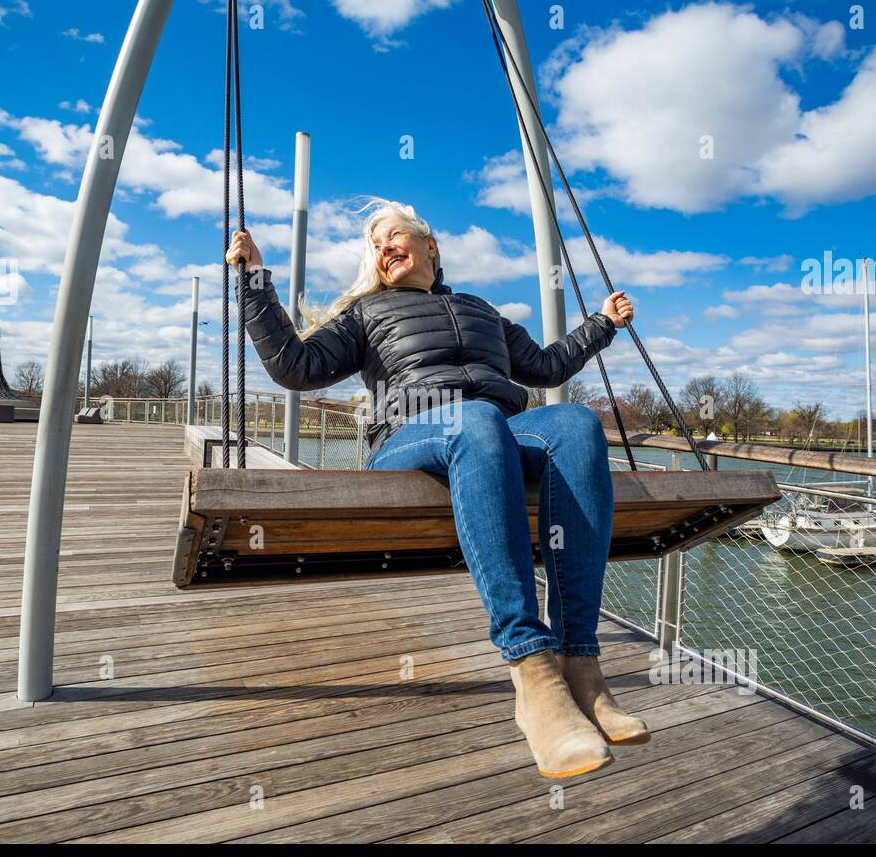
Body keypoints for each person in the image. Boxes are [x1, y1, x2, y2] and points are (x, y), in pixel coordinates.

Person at [226, 199, 648, 778]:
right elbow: (295, 366)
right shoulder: (368, 313)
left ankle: (581, 663)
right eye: (374, 245)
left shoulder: (481, 310)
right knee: (473, 418)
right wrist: (254, 285)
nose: (383, 248)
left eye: (393, 235)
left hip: (495, 428)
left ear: (431, 246)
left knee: (574, 425)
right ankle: (532, 670)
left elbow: (546, 368)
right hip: (409, 435)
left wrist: (601, 325)